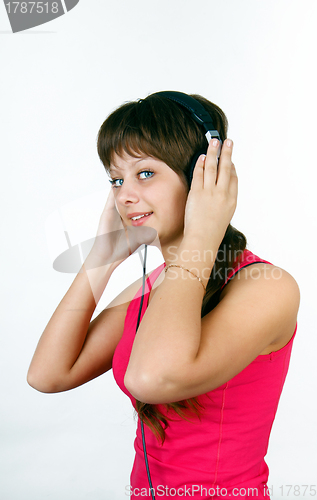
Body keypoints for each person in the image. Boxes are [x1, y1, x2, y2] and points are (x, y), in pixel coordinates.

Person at [27, 92, 300, 500]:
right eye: (116, 180)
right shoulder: (153, 286)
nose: (124, 195)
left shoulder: (267, 286)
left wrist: (201, 235)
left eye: (145, 174)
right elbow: (48, 374)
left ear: (201, 176)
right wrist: (101, 258)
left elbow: (151, 377)